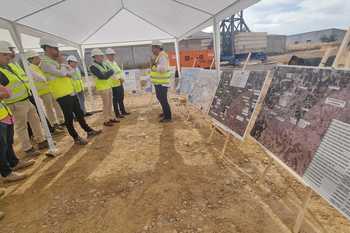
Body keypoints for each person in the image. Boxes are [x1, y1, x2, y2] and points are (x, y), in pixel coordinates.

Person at [39, 38, 101, 145]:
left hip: (71, 91)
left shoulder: (55, 61)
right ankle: (76, 137)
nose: (57, 51)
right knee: (69, 118)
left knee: (79, 114)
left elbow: (71, 72)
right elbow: (62, 74)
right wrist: (63, 64)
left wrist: (64, 68)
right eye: (55, 48)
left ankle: (88, 131)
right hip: (61, 94)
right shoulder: (44, 63)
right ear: (47, 48)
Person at [0, 41, 48, 157]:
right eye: (7, 53)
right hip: (14, 103)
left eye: (10, 51)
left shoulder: (13, 65)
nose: (11, 54)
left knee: (35, 120)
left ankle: (41, 140)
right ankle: (28, 148)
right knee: (22, 126)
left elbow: (24, 78)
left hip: (26, 98)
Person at [25, 50, 65, 134]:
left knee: (56, 105)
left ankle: (61, 121)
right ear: (32, 59)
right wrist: (47, 79)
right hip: (43, 91)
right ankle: (53, 124)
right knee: (49, 108)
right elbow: (41, 78)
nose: (39, 59)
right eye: (37, 57)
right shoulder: (30, 68)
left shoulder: (38, 67)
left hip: (49, 89)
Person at [90, 48, 119, 127]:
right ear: (95, 57)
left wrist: (107, 73)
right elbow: (102, 76)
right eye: (100, 56)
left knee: (109, 104)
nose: (102, 57)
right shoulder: (93, 67)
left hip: (108, 86)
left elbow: (112, 71)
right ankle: (105, 120)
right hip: (102, 88)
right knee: (106, 104)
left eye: (102, 56)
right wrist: (108, 73)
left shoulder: (104, 64)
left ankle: (110, 117)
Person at [150, 40, 172, 122]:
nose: (152, 50)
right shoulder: (159, 56)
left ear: (157, 48)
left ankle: (168, 117)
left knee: (163, 99)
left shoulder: (162, 56)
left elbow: (163, 69)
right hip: (158, 82)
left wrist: (154, 65)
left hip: (162, 83)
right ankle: (165, 112)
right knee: (160, 98)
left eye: (153, 48)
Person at [104, 48, 129, 118]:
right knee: (115, 99)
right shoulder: (106, 64)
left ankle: (123, 111)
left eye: (113, 55)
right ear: (107, 56)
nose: (112, 56)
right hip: (114, 84)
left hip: (119, 83)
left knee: (121, 98)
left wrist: (122, 79)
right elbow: (112, 74)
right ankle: (117, 114)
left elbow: (119, 71)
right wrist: (119, 79)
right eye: (111, 55)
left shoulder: (114, 62)